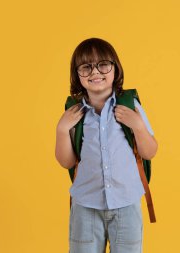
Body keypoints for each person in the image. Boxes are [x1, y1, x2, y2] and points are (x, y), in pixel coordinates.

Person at [55, 37, 158, 253]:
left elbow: (150, 151)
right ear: (77, 74)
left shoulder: (131, 106)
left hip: (126, 203)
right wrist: (62, 130)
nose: (95, 72)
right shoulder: (74, 113)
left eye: (103, 64)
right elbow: (67, 161)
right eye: (86, 67)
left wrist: (138, 126)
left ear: (115, 69)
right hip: (85, 206)